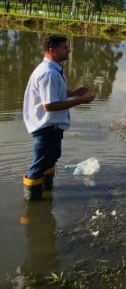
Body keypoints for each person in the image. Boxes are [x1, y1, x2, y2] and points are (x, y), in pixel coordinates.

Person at [22, 35, 96, 201]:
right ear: (52, 50)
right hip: (45, 126)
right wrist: (80, 101)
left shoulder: (53, 69)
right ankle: (33, 206)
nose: (68, 50)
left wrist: (74, 93)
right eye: (64, 47)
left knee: (52, 157)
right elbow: (49, 105)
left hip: (52, 125)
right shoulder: (48, 73)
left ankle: (47, 190)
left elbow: (55, 94)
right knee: (38, 164)